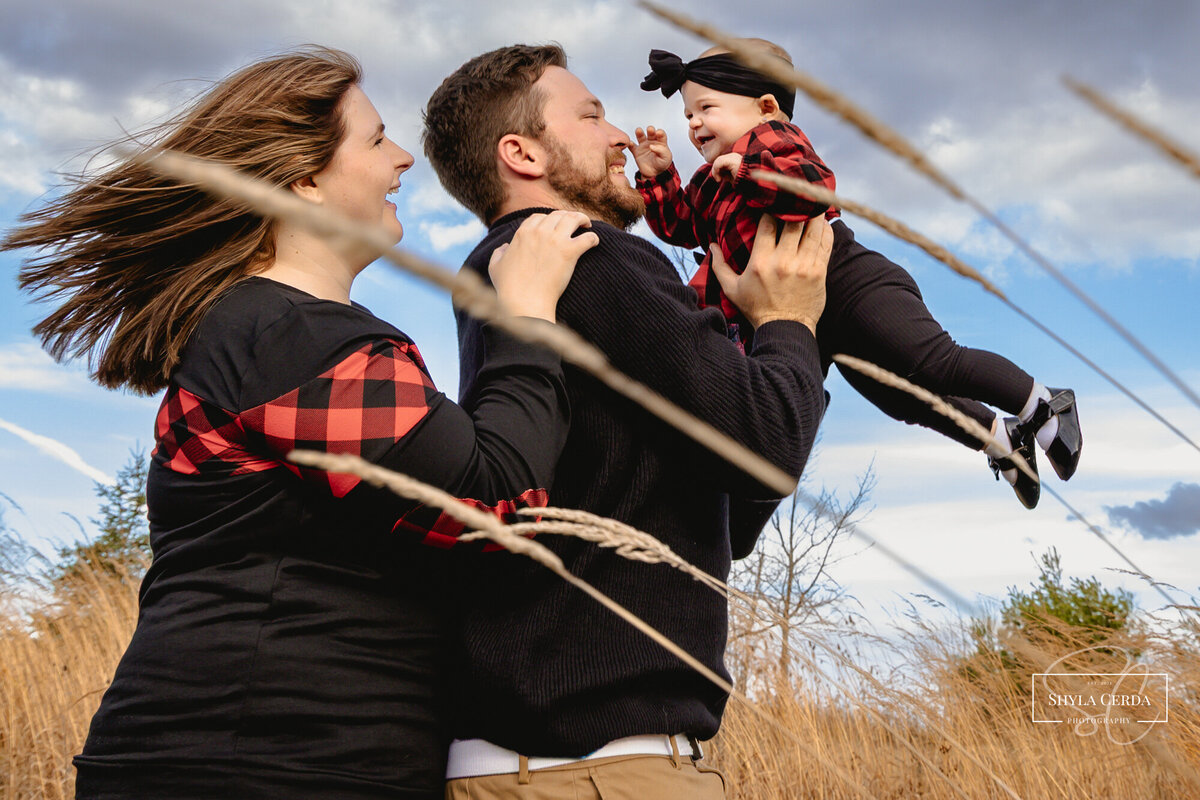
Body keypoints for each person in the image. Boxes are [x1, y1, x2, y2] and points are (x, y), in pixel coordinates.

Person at [2, 47, 600, 800]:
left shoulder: (276, 332)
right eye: (376, 139)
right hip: (259, 764)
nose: (402, 158)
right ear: (304, 181)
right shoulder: (291, 336)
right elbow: (493, 506)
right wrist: (526, 317)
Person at [423, 44, 832, 798]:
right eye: (590, 116)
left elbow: (729, 515)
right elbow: (766, 448)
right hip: (598, 772)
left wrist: (766, 352)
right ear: (522, 154)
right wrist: (790, 324)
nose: (619, 136)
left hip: (549, 768)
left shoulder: (506, 274)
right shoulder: (590, 255)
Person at [632, 40, 1083, 510]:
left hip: (845, 279)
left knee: (934, 363)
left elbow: (813, 189)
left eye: (706, 108)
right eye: (688, 115)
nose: (694, 123)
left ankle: (1045, 405)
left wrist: (748, 173)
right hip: (797, 316)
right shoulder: (709, 181)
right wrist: (660, 179)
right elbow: (682, 227)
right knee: (904, 398)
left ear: (766, 107)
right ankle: (1003, 441)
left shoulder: (771, 142)